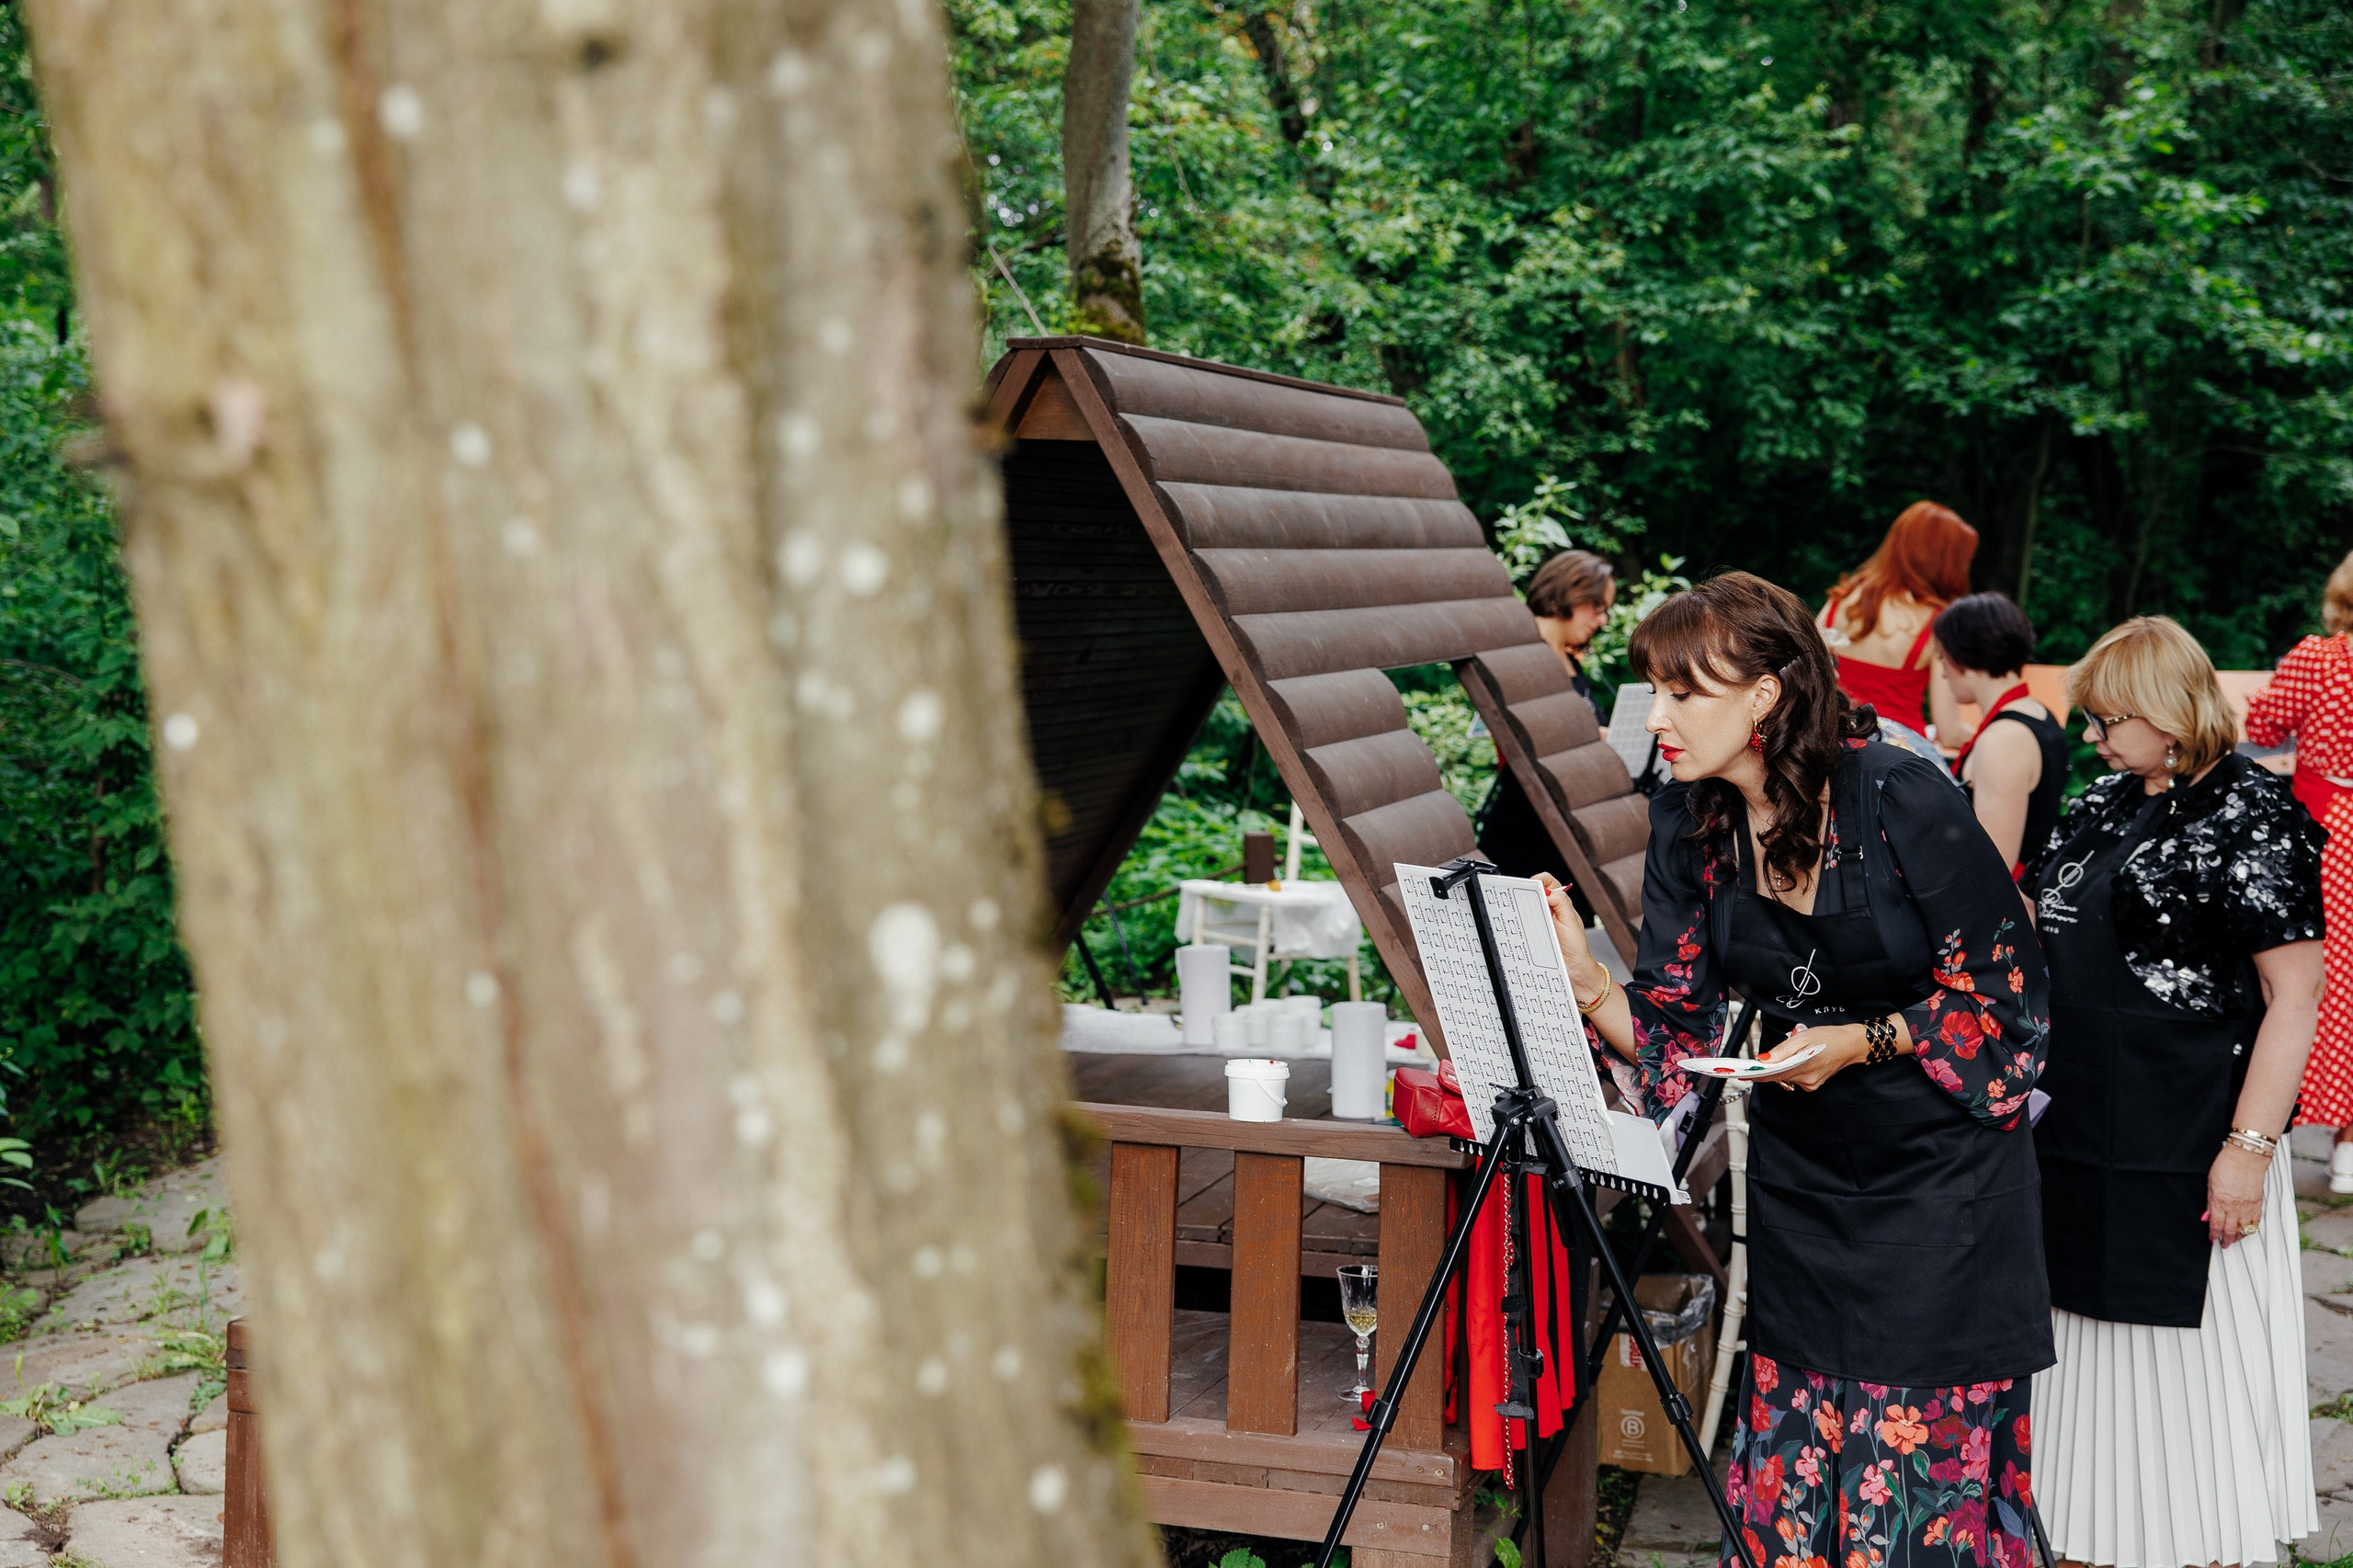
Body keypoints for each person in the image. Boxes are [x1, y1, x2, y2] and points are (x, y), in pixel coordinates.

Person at [1540, 571, 2052, 1567]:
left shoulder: (1897, 791)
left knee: (1909, 1496)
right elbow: (1672, 1035)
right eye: (1654, 689)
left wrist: (1863, 1039)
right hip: (1804, 1190)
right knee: (1793, 1475)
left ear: (1767, 693)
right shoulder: (1689, 824)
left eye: (1686, 692)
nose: (1662, 716)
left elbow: (2012, 1001)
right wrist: (1587, 985)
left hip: (1941, 1196)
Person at [2027, 616, 2325, 1568]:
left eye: (2107, 716)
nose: (2092, 736)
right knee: (2077, 1377)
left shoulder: (2253, 812)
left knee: (2191, 1397)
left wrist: (2248, 1149)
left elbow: (2295, 994)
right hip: (2078, 1135)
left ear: (2166, 710)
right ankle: (2078, 1536)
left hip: (2196, 1141)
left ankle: (2202, 1546)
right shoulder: (2100, 802)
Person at [2244, 552, 2353, 1193]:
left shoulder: (2320, 657)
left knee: (2310, 981)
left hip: (2326, 830)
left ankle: (2279, 1115)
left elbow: (2262, 725)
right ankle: (2348, 1146)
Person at [1477, 550, 1618, 892]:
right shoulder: (1521, 656)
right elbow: (1534, 736)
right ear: (1569, 594)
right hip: (1526, 827)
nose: (1603, 620)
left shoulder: (1568, 659)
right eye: (1598, 606)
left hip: (1566, 829)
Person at [1931, 593, 2067, 879]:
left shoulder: (2003, 739)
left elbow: (1993, 864)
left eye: (1943, 658)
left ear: (1965, 663)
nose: (1943, 674)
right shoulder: (2038, 713)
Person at [1818, 502, 1977, 741]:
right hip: (1898, 753)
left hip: (1831, 744)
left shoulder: (1842, 598)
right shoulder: (1938, 623)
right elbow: (1950, 731)